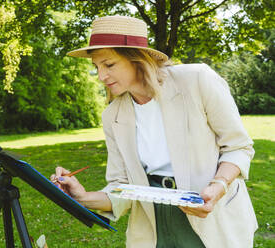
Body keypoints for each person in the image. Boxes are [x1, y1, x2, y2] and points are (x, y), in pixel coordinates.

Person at [50, 16, 257, 248]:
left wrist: (218, 185)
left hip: (211, 219)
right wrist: (82, 196)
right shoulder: (112, 116)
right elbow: (122, 187)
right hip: (151, 227)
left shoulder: (197, 80)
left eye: (109, 65)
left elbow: (238, 147)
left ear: (137, 59)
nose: (101, 76)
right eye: (96, 67)